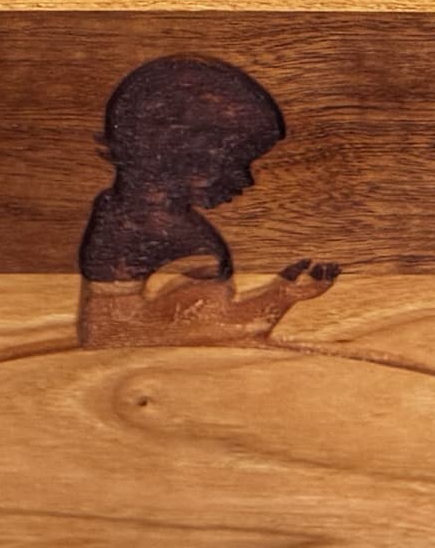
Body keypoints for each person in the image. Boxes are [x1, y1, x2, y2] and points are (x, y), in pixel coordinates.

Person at [74, 55, 341, 349]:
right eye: (234, 163)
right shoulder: (154, 233)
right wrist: (281, 297)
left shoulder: (123, 214)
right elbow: (114, 340)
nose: (245, 181)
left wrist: (283, 293)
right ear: (175, 154)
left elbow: (192, 328)